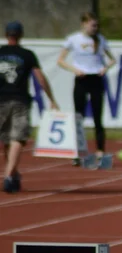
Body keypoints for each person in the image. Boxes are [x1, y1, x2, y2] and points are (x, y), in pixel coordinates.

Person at [1, 21, 59, 194]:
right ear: (20, 35)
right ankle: (9, 174)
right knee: (17, 137)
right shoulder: (27, 55)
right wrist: (51, 98)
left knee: (6, 139)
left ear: (6, 35)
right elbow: (40, 78)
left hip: (1, 99)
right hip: (20, 100)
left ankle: (12, 172)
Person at [57, 12, 116, 168]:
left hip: (96, 79)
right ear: (84, 24)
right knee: (78, 117)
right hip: (82, 79)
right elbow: (60, 60)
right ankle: (77, 152)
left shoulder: (101, 39)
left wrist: (105, 68)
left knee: (98, 117)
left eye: (96, 25)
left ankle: (100, 152)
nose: (95, 28)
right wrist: (74, 69)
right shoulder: (73, 39)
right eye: (92, 25)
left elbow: (112, 59)